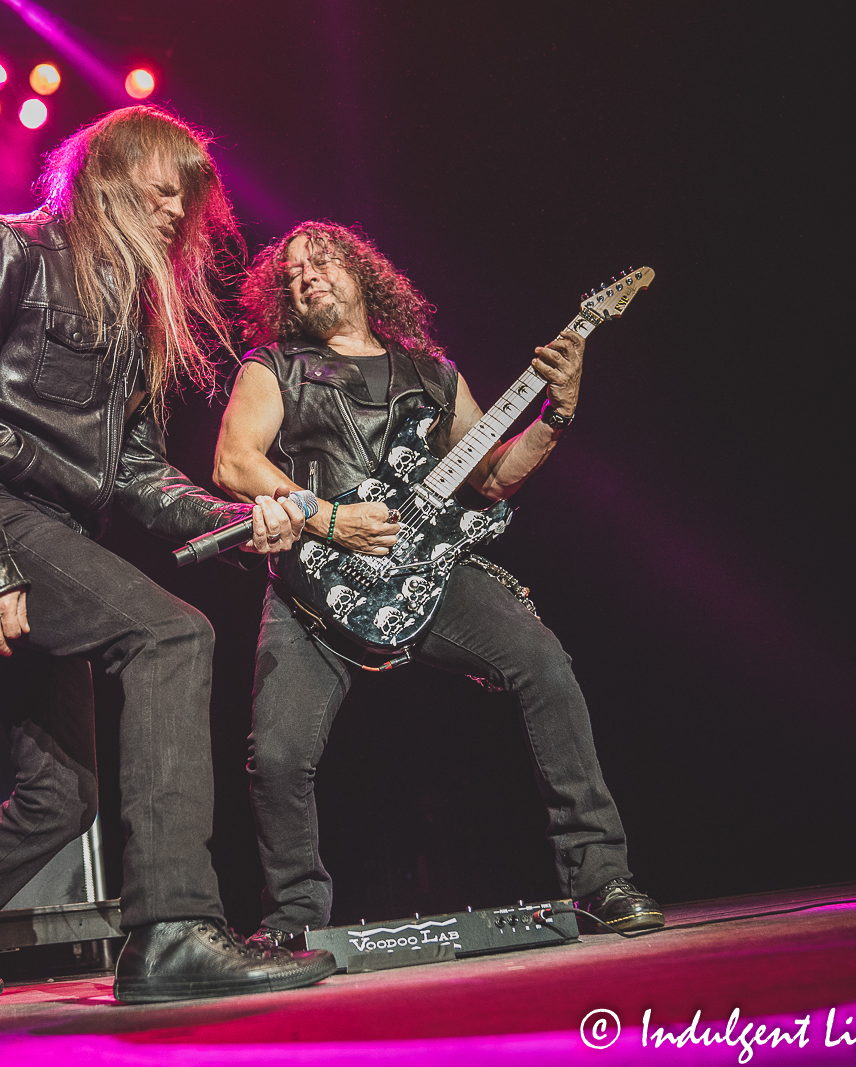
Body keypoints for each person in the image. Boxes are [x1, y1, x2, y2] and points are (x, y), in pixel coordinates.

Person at [0, 107, 336, 1014]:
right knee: (171, 636)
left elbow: (138, 475)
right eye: (159, 189)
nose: (174, 211)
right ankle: (173, 929)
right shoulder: (3, 248)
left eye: (185, 201)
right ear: (105, 174)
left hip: (51, 534)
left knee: (59, 794)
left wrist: (237, 517)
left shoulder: (136, 316)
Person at [213, 221, 664, 947]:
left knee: (546, 665)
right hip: (316, 585)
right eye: (292, 271)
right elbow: (235, 462)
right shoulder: (275, 366)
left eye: (322, 259)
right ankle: (293, 922)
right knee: (277, 756)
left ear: (363, 272)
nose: (306, 274)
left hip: (430, 571)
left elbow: (491, 478)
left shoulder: (433, 373)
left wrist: (560, 412)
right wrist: (332, 520)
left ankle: (601, 878)